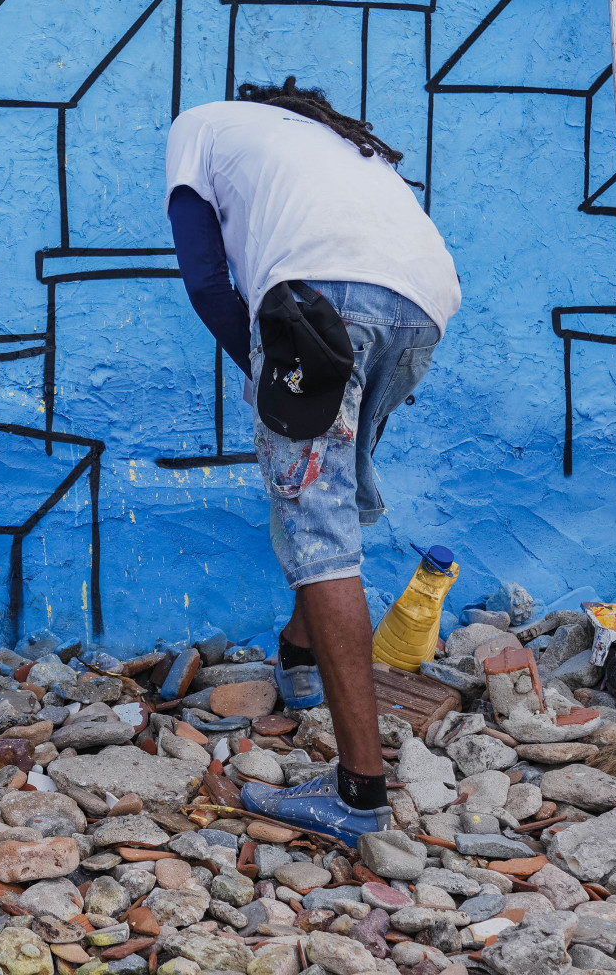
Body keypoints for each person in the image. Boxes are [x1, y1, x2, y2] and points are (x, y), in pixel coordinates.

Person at [164, 77, 461, 841]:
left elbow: (204, 279)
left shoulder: (199, 126)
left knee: (318, 529)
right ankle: (299, 658)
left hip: (323, 298)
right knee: (331, 489)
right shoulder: (343, 149)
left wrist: (277, 378)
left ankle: (359, 794)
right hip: (424, 305)